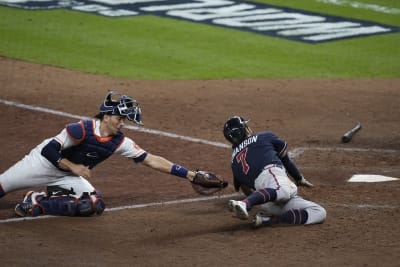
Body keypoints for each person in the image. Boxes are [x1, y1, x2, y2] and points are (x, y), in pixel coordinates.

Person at [0, 91, 199, 217]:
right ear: (106, 116)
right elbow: (49, 150)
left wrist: (190, 174)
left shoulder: (119, 141)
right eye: (119, 119)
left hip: (67, 176)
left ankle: (37, 202)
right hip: (42, 164)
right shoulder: (81, 129)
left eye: (124, 121)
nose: (122, 124)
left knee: (94, 204)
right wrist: (74, 167)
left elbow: (152, 160)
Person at [223, 116, 326, 227]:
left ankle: (268, 220)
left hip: (269, 200)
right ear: (245, 129)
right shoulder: (263, 137)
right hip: (273, 178)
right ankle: (244, 203)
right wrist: (298, 178)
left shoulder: (234, 163)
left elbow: (243, 187)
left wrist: (256, 197)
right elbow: (285, 159)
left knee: (319, 212)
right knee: (282, 191)